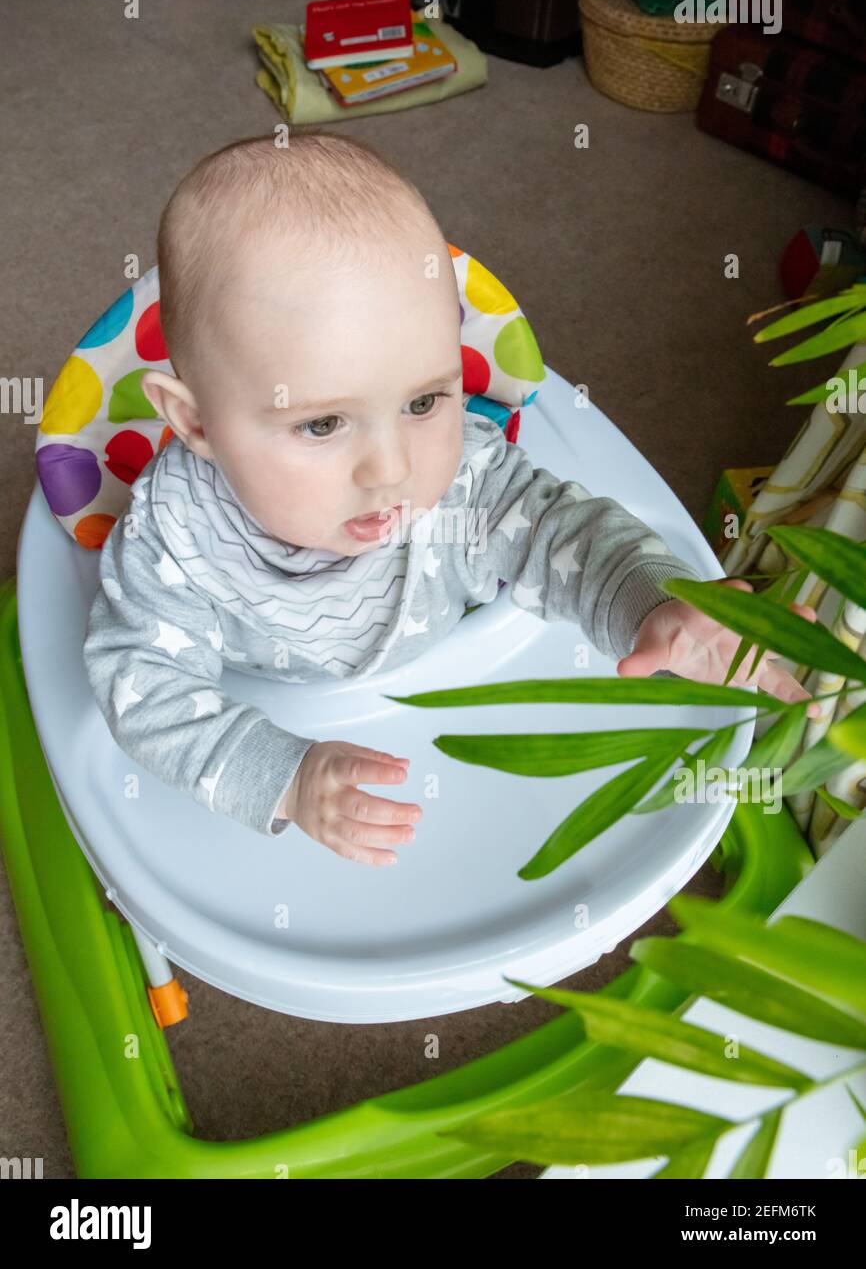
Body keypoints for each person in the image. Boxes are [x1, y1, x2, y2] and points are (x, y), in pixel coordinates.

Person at [83, 131, 818, 867]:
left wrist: (655, 604)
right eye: (321, 423)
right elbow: (143, 686)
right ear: (196, 421)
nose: (392, 468)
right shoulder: (173, 535)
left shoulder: (463, 475)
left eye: (424, 400)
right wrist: (283, 775)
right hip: (288, 712)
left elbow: (563, 535)